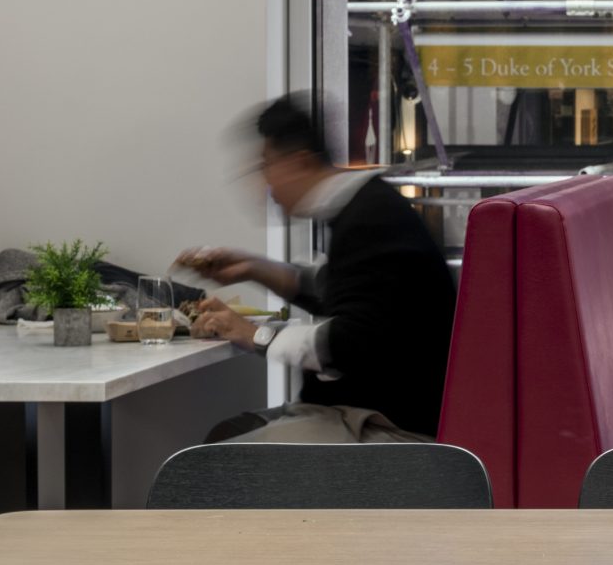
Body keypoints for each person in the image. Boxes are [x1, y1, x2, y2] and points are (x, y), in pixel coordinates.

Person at [180, 95, 457, 442]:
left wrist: (253, 334)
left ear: (298, 163)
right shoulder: (365, 207)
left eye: (265, 166)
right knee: (224, 435)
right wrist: (254, 267)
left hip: (389, 423)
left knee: (208, 465)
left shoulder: (371, 219)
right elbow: (342, 288)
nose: (263, 184)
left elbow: (348, 343)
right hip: (365, 410)